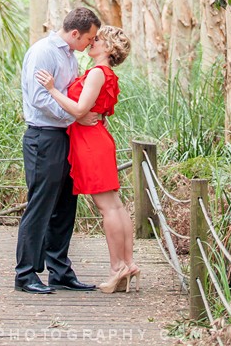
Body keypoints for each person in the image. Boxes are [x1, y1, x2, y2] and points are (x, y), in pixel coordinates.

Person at [36, 25, 140, 294]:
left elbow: (81, 109)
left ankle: (117, 268)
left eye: (98, 40)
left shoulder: (97, 73)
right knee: (115, 205)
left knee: (108, 208)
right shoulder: (105, 74)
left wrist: (52, 89)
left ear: (108, 48)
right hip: (96, 138)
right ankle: (127, 264)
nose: (92, 42)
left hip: (91, 142)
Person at [14, 7, 102, 294]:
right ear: (75, 33)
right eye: (89, 39)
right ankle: (26, 274)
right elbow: (39, 98)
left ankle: (60, 271)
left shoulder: (70, 56)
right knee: (41, 205)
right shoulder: (43, 52)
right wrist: (75, 115)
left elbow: (68, 95)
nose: (91, 43)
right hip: (44, 136)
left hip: (66, 136)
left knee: (65, 204)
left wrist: (77, 116)